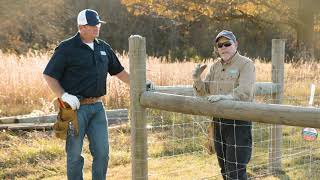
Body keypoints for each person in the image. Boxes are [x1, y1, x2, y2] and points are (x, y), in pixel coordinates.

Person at [43, 9, 153, 180]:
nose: (97, 28)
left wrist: (140, 83)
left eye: (98, 24)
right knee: (74, 156)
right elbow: (49, 75)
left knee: (102, 153)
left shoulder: (103, 48)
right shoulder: (66, 48)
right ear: (81, 27)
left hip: (97, 108)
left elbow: (120, 72)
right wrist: (64, 95)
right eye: (92, 25)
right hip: (74, 109)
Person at [192, 30, 256, 180]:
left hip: (238, 121)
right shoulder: (214, 67)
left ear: (236, 44)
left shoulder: (246, 64)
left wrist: (226, 98)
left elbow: (245, 91)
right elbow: (204, 91)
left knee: (236, 171)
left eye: (227, 43)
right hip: (218, 121)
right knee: (224, 169)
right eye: (220, 45)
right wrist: (196, 79)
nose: (223, 47)